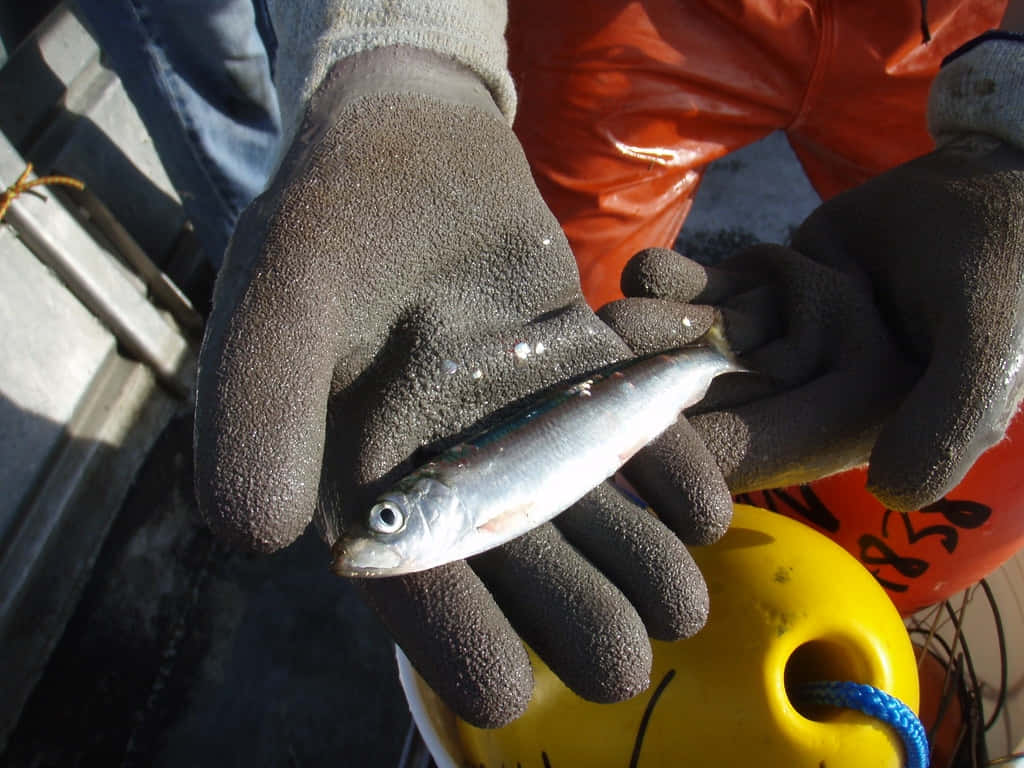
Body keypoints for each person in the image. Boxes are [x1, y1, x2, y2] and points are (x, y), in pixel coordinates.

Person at [76, 0, 1024, 729]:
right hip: (628, 21)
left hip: (960, 26)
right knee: (549, 275)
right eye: (388, 518)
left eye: (393, 515)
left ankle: (829, 593)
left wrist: (1015, 129)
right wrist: (402, 58)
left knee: (935, 347)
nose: (373, 535)